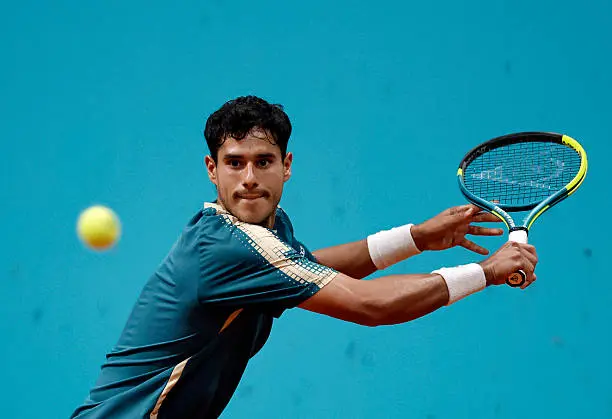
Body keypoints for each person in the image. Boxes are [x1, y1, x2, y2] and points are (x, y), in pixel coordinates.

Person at [71, 95, 538, 418]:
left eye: (263, 161)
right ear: (212, 170)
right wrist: (486, 271)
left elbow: (311, 267)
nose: (249, 177)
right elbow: (372, 306)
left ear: (286, 166)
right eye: (234, 162)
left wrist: (415, 238)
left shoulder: (265, 233)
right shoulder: (227, 247)